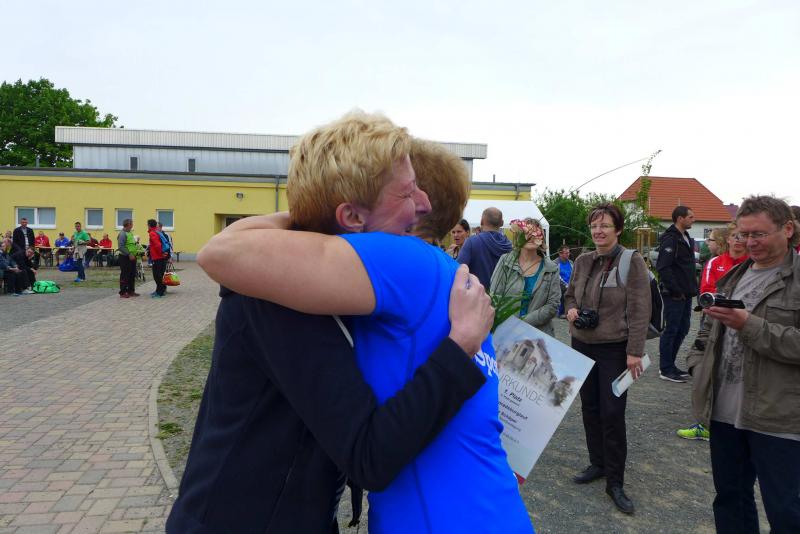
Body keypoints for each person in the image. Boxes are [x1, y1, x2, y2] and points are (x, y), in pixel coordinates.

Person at [195, 112, 532, 532]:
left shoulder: (404, 268)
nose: (424, 204)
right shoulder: (414, 267)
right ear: (352, 216)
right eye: (408, 192)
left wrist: (300, 219)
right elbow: (219, 252)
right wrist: (459, 348)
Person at [690, 195, 800, 533]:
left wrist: (748, 324)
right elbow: (707, 329)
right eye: (743, 234)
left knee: (785, 511)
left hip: (777, 416)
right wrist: (697, 365)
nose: (749, 242)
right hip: (724, 412)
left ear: (788, 229)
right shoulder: (734, 276)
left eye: (758, 234)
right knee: (730, 500)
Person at [564, 202, 651, 515]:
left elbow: (640, 309)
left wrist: (634, 351)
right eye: (594, 226)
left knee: (612, 413)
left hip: (614, 349)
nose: (598, 231)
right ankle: (597, 463)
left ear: (618, 229)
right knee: (589, 407)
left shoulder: (631, 261)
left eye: (604, 225)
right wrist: (571, 310)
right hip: (582, 344)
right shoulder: (582, 260)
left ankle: (615, 482)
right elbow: (569, 295)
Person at [678, 223, 748, 441]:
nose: (738, 240)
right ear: (728, 239)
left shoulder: (752, 264)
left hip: (743, 324)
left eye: (743, 236)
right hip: (714, 320)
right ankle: (704, 422)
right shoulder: (715, 262)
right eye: (734, 236)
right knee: (707, 367)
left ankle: (734, 423)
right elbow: (706, 291)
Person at [490, 218, 561, 336]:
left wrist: (522, 322)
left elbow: (553, 305)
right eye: (526, 231)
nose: (530, 236)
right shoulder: (506, 261)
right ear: (518, 235)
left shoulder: (551, 268)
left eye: (535, 232)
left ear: (541, 238)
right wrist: (506, 321)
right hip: (506, 331)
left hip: (538, 334)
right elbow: (494, 294)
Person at [656, 205, 698, 382]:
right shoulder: (670, 239)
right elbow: (663, 267)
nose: (693, 219)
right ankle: (665, 369)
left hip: (685, 294)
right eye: (690, 217)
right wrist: (675, 290)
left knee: (683, 329)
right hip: (674, 295)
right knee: (671, 330)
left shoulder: (685, 237)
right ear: (680, 218)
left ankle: (671, 365)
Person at [456, 207, 513, 289]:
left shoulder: (471, 242)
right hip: (502, 295)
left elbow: (458, 269)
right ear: (502, 223)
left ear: (481, 221)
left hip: (477, 293)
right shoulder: (509, 245)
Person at [117, 219, 139, 298]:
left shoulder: (130, 233)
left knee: (132, 274)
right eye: (131, 224)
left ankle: (131, 291)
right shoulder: (122, 234)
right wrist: (129, 254)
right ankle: (123, 292)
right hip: (125, 257)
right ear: (128, 224)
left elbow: (131, 244)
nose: (132, 225)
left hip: (133, 257)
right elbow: (121, 247)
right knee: (125, 275)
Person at [147, 219, 169, 298]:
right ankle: (158, 290)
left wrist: (161, 253)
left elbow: (157, 245)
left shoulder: (152, 233)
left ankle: (160, 292)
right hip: (160, 257)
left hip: (157, 257)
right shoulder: (157, 232)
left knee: (157, 275)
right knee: (159, 275)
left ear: (149, 225)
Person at [556, 245, 574, 317]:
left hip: (571, 284)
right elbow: (557, 277)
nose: (568, 254)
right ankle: (561, 312)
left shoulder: (571, 262)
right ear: (560, 254)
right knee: (564, 292)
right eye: (566, 253)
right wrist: (566, 285)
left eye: (568, 252)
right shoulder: (555, 263)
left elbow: (574, 273)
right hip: (561, 286)